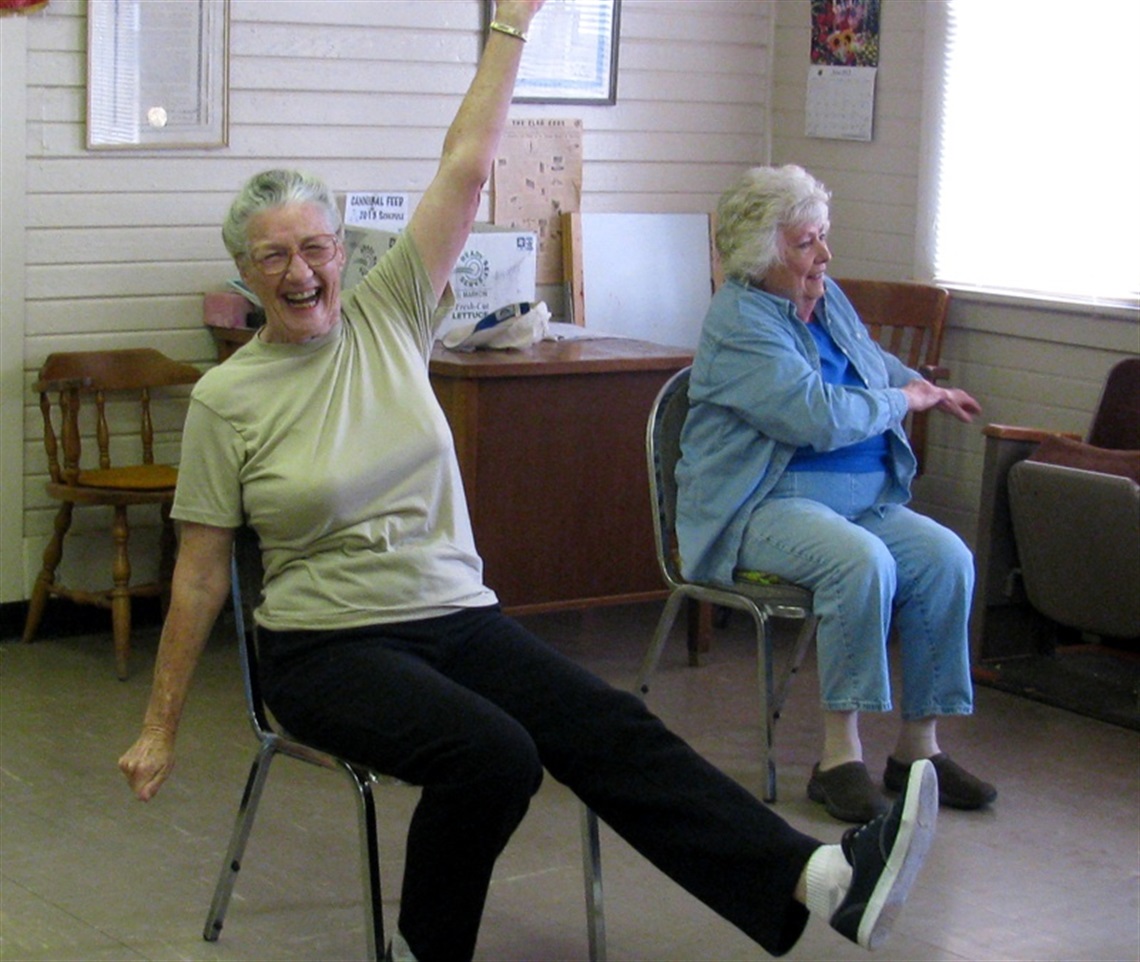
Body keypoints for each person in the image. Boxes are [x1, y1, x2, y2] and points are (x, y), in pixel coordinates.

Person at [119, 9, 941, 960]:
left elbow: (466, 168)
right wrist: (160, 726)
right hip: (324, 648)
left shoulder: (390, 316)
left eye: (316, 247)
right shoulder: (227, 398)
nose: (301, 270)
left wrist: (512, 22)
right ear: (247, 274)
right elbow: (200, 571)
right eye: (274, 256)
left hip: (454, 616)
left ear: (344, 250)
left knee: (609, 723)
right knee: (493, 756)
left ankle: (819, 878)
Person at [676, 164, 998, 825]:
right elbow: (815, 416)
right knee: (861, 563)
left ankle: (917, 752)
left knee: (948, 559)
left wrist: (925, 390)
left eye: (822, 237)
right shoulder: (740, 320)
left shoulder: (825, 295)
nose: (823, 255)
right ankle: (837, 758)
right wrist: (898, 402)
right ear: (762, 252)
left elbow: (873, 366)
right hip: (759, 505)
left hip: (860, 499)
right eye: (805, 243)